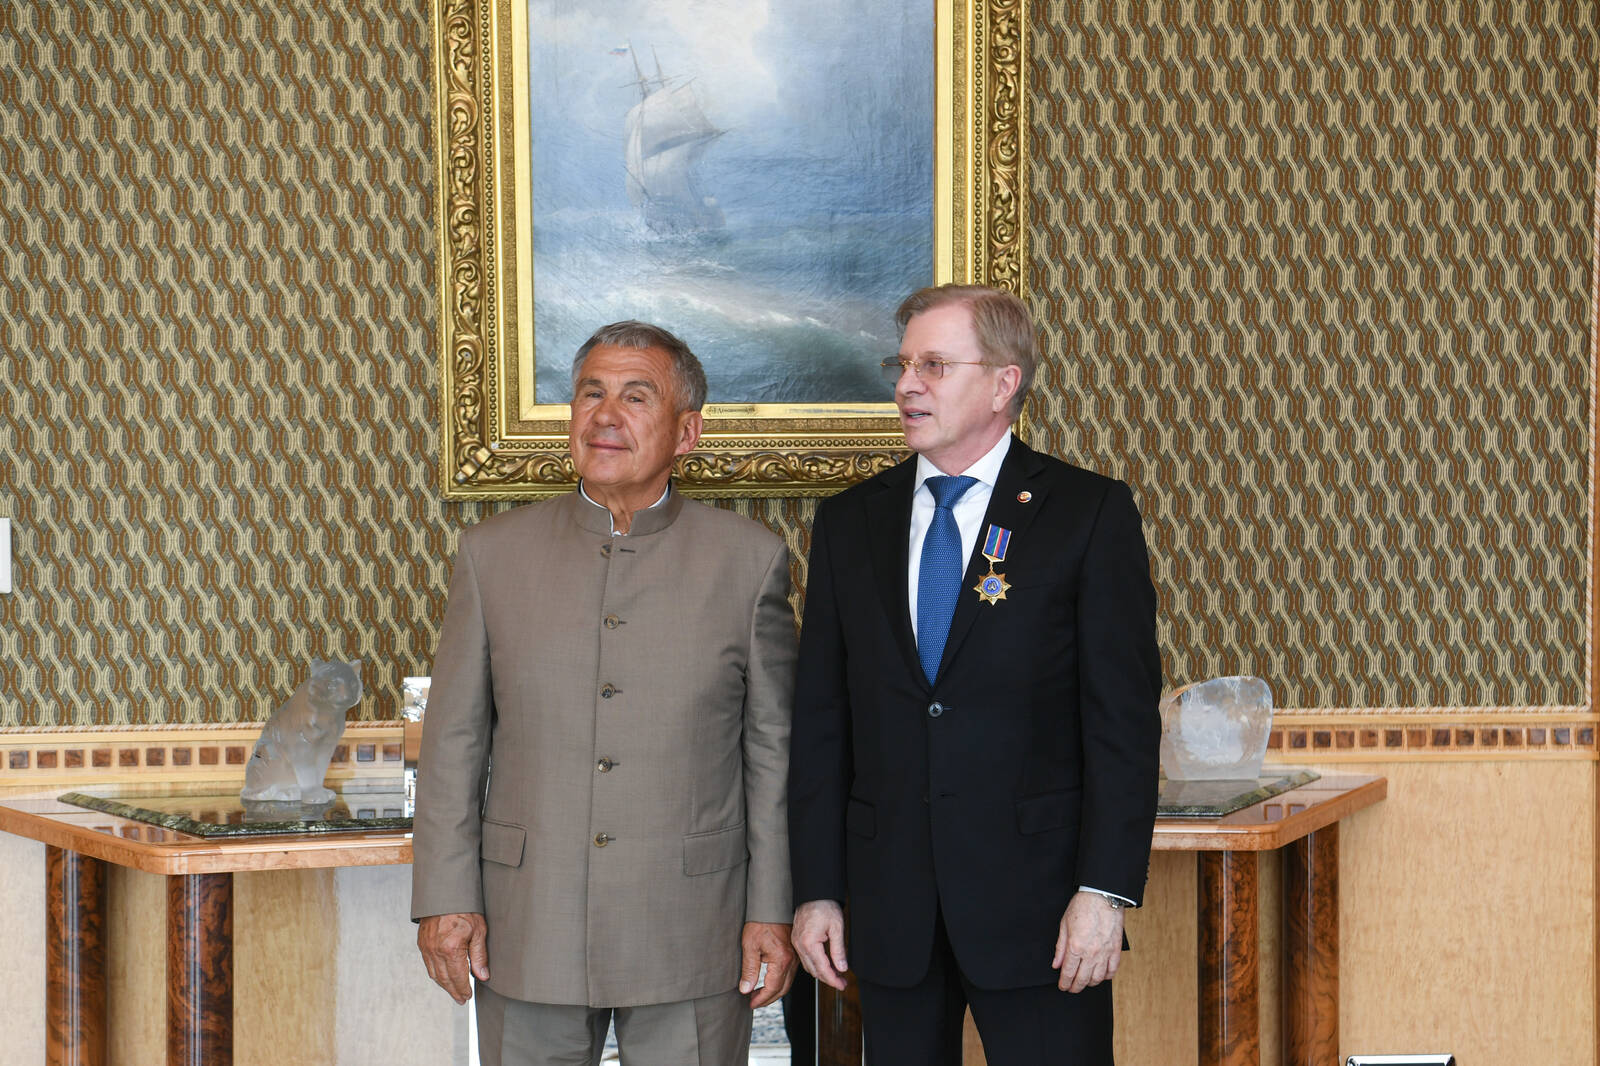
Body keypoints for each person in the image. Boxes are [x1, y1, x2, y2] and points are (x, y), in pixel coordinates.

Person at [787, 285, 1162, 1065]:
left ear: (1003, 383)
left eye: (933, 365)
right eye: (902, 366)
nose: (906, 385)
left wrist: (1105, 892)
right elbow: (823, 721)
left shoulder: (1086, 513)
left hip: (1043, 913)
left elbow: (1122, 723)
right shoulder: (851, 521)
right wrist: (817, 889)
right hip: (889, 913)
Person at [412, 321, 799, 1066]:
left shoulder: (749, 561)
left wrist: (771, 909)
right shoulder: (493, 555)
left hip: (694, 925)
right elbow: (454, 742)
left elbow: (773, 756)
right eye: (591, 394)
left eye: (635, 396)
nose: (605, 415)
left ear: (687, 432)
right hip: (529, 923)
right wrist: (445, 896)